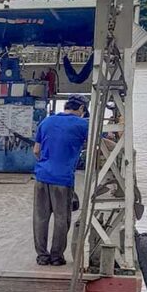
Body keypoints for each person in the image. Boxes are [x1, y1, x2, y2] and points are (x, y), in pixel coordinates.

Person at [32, 94, 88, 266]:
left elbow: (36, 150)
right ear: (81, 109)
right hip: (63, 179)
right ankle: (56, 257)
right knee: (62, 219)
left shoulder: (46, 122)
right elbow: (100, 143)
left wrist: (46, 164)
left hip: (41, 176)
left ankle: (42, 256)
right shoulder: (83, 124)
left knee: (40, 217)